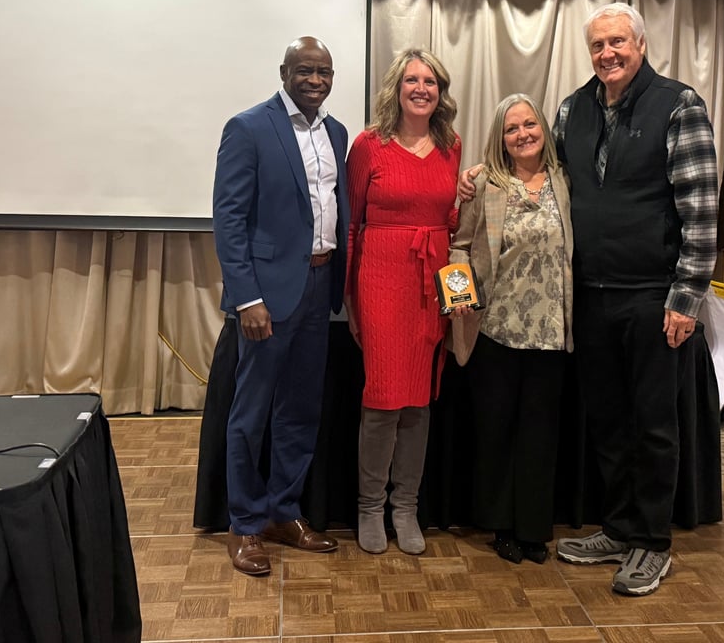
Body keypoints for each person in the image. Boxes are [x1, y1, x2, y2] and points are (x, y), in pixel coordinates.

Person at [459, 2, 718, 596]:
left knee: (653, 424)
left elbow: (702, 209)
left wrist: (686, 297)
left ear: (641, 45)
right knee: (608, 421)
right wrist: (480, 171)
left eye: (618, 42)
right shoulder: (572, 109)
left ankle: (651, 542)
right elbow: (534, 168)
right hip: (588, 299)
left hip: (653, 296)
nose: (607, 53)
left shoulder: (679, 105)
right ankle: (620, 528)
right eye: (598, 45)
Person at [212, 36, 348, 576]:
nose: (315, 80)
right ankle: (244, 524)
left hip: (320, 286)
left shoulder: (336, 133)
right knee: (250, 415)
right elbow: (229, 219)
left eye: (324, 72)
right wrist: (247, 297)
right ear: (285, 72)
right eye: (305, 70)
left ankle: (282, 512)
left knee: (300, 409)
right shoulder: (248, 128)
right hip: (267, 296)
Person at [448, 93, 573, 565]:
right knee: (497, 432)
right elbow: (459, 245)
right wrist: (458, 297)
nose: (523, 134)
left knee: (540, 435)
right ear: (500, 138)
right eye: (511, 128)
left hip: (551, 331)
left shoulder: (564, 181)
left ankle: (533, 529)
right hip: (495, 329)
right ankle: (501, 526)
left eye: (529, 125)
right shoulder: (485, 183)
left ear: (543, 129)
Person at [345, 48, 462, 555]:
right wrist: (350, 299)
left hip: (430, 281)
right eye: (412, 80)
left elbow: (450, 222)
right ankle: (369, 506)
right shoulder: (368, 146)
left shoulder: (451, 146)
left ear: (440, 91)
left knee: (419, 399)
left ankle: (406, 506)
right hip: (380, 279)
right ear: (396, 88)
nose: (421, 89)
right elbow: (351, 225)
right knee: (382, 397)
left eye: (430, 81)